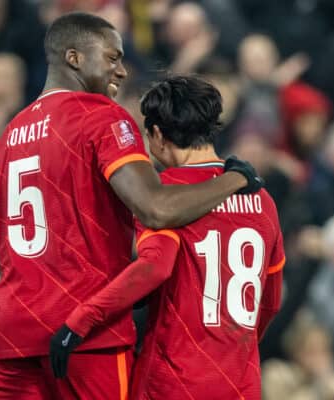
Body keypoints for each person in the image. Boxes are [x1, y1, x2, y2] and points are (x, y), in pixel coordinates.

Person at [0, 13, 262, 400]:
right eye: (112, 57)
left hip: (12, 338)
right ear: (75, 58)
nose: (121, 69)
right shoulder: (100, 117)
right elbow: (155, 209)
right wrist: (236, 181)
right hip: (86, 337)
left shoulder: (8, 137)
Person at [51, 76, 283, 399]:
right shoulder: (263, 201)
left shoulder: (166, 194)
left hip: (174, 381)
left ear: (157, 134)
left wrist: (80, 320)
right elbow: (269, 302)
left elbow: (155, 267)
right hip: (240, 384)